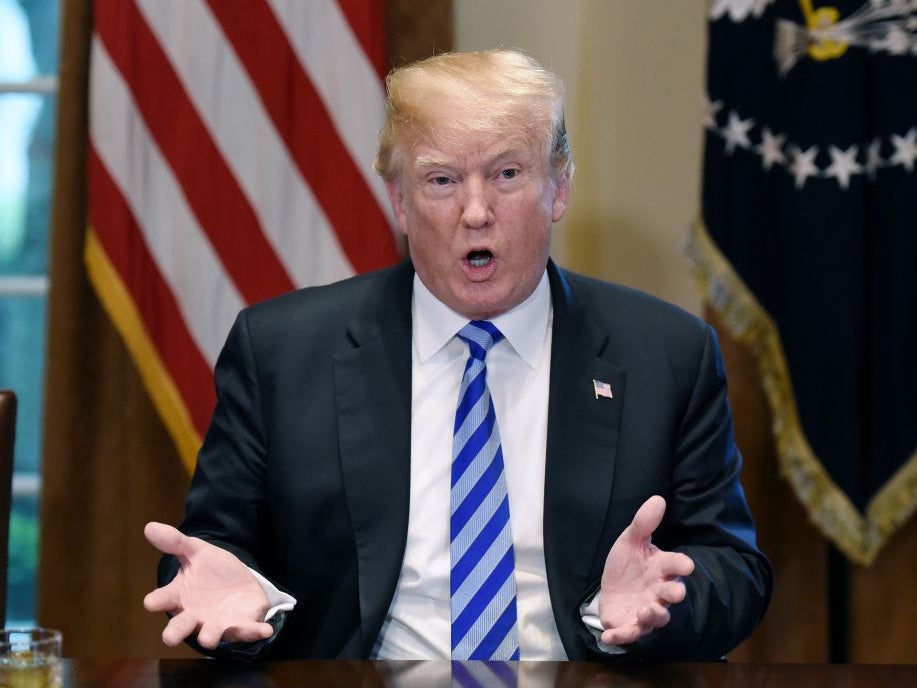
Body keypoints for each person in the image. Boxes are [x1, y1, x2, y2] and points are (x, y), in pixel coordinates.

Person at [143, 49, 771, 661]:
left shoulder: (667, 355)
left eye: (506, 174)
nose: (476, 212)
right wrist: (242, 597)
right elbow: (213, 551)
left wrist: (658, 609)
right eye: (441, 181)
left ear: (557, 189)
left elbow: (734, 569)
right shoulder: (281, 351)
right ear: (399, 203)